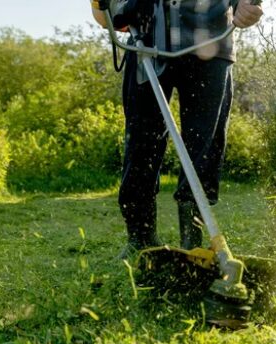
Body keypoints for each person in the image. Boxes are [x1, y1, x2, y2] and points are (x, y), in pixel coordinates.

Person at [91, 0, 263, 258]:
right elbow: (105, 14)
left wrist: (249, 4)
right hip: (147, 42)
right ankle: (140, 239)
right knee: (141, 144)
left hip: (212, 40)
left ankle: (192, 242)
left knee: (204, 145)